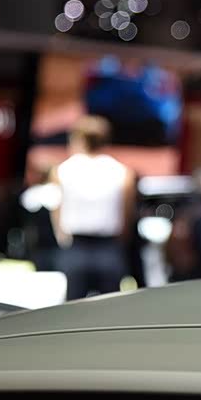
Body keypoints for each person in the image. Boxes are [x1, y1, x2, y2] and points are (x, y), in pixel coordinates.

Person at [51, 116, 136, 299]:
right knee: (109, 308)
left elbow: (57, 209)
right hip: (109, 248)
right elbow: (127, 214)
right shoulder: (122, 172)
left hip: (76, 247)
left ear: (79, 139)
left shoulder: (62, 170)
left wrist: (62, 237)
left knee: (72, 309)